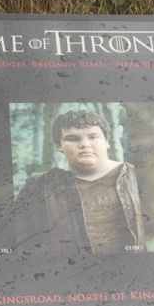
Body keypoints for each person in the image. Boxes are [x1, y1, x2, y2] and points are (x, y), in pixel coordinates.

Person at [14, 109, 145, 255]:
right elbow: (22, 245)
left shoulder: (137, 177)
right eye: (73, 138)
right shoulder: (38, 186)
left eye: (93, 137)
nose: (84, 144)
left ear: (107, 141)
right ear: (59, 146)